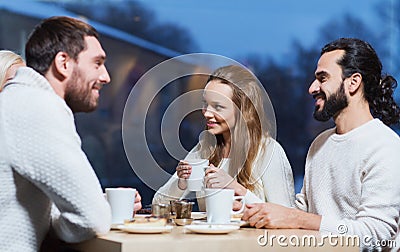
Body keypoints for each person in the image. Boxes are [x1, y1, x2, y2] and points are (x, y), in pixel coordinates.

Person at [242, 38, 400, 251]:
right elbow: (297, 216)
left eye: (322, 78)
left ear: (353, 82)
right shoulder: (320, 143)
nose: (312, 88)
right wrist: (247, 203)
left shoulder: (386, 146)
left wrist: (298, 219)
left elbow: (374, 236)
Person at [0, 16, 141, 252]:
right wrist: (96, 212)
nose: (106, 76)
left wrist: (96, 207)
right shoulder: (39, 107)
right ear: (63, 62)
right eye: (97, 63)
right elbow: (92, 219)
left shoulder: (16, 101)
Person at [153, 65, 295, 211]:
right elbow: (158, 204)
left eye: (218, 107)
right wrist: (180, 184)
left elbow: (286, 216)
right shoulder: (204, 149)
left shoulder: (268, 151)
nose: (207, 113)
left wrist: (235, 188)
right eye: (205, 104)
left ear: (242, 111)